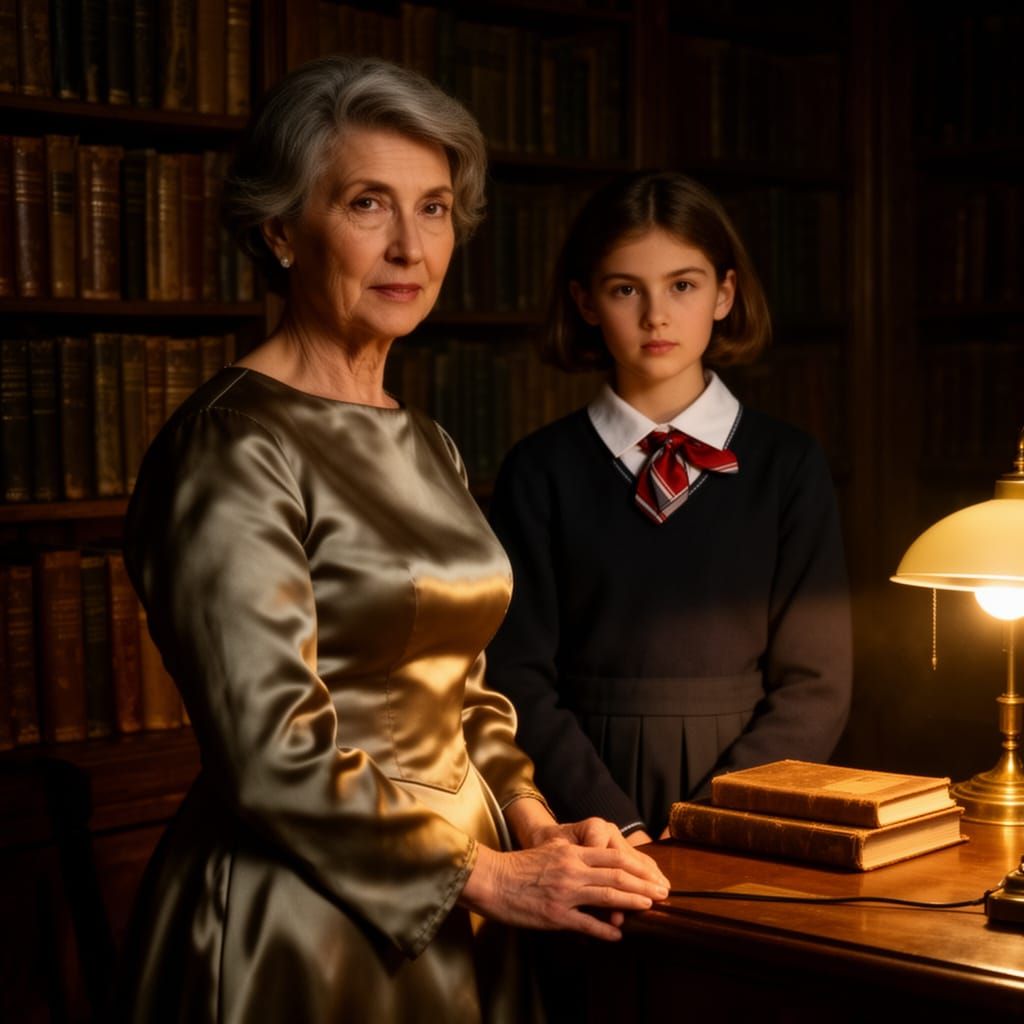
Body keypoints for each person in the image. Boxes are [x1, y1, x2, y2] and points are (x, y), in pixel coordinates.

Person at [114, 57, 669, 1023]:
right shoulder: (229, 444)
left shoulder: (426, 439)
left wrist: (535, 826)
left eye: (435, 208)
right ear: (281, 229)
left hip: (473, 891)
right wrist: (487, 877)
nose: (410, 247)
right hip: (299, 923)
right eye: (368, 203)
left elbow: (466, 691)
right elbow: (269, 750)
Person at [486, 170, 852, 847]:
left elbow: (817, 684)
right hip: (582, 803)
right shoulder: (538, 470)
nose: (656, 315)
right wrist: (610, 819)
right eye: (626, 289)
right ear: (586, 302)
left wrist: (714, 817)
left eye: (683, 285)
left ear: (724, 294)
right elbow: (515, 677)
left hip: (747, 795)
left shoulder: (789, 465)